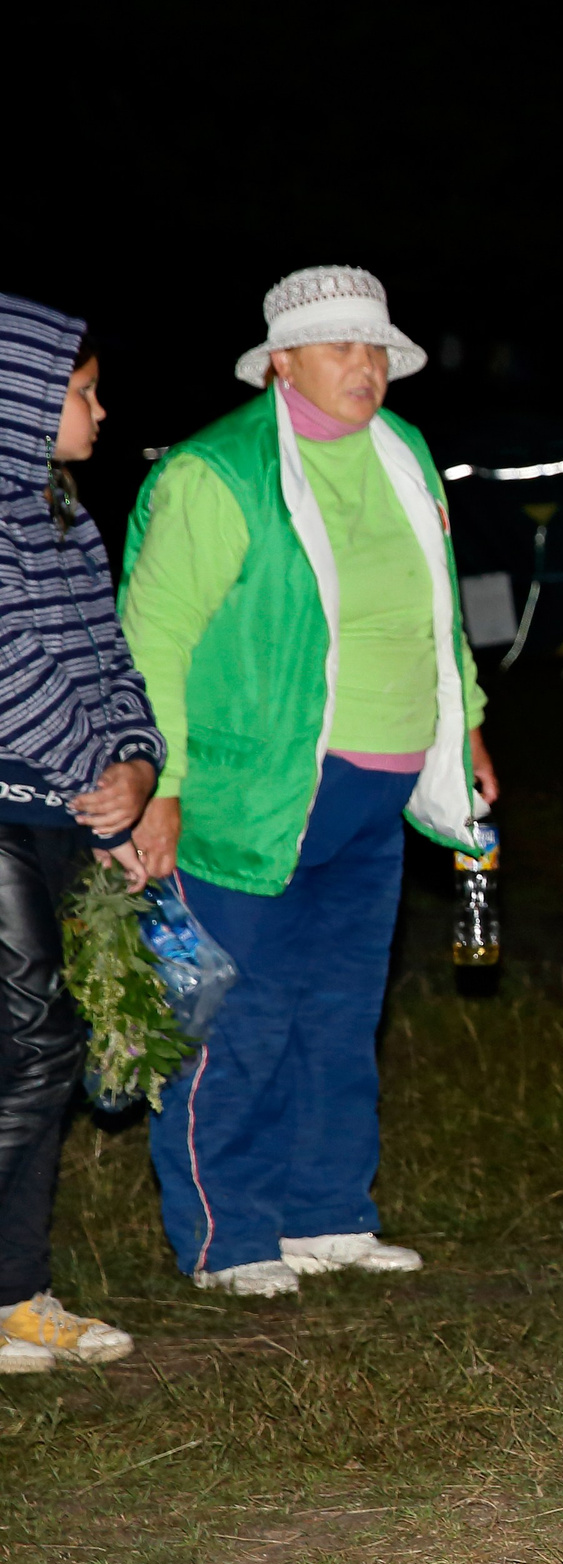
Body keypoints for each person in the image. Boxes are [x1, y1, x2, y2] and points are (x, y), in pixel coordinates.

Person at [121, 266, 497, 1298]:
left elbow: (437, 610)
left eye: (375, 347)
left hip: (378, 792)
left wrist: (463, 726)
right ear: (280, 361)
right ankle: (228, 1233)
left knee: (339, 1009)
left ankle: (327, 1212)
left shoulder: (405, 449)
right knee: (236, 1017)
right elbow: (153, 642)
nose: (364, 366)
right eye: (340, 347)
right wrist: (164, 784)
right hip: (253, 797)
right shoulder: (216, 473)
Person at [0, 297, 158, 1371]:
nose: (99, 411)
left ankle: (18, 1295)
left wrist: (138, 765)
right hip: (9, 809)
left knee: (36, 1051)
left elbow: (107, 653)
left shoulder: (60, 511)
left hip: (60, 809)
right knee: (34, 1040)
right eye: (81, 389)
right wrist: (89, 774)